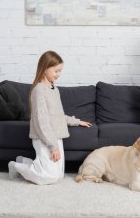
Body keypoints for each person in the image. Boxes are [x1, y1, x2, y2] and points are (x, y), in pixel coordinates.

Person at [8, 50, 92, 185]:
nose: (59, 74)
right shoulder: (39, 90)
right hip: (44, 137)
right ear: (45, 68)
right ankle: (15, 166)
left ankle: (22, 161)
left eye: (60, 71)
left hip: (56, 136)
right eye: (56, 71)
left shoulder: (54, 89)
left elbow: (58, 116)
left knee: (58, 176)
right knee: (50, 177)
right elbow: (42, 122)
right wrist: (53, 146)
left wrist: (77, 122)